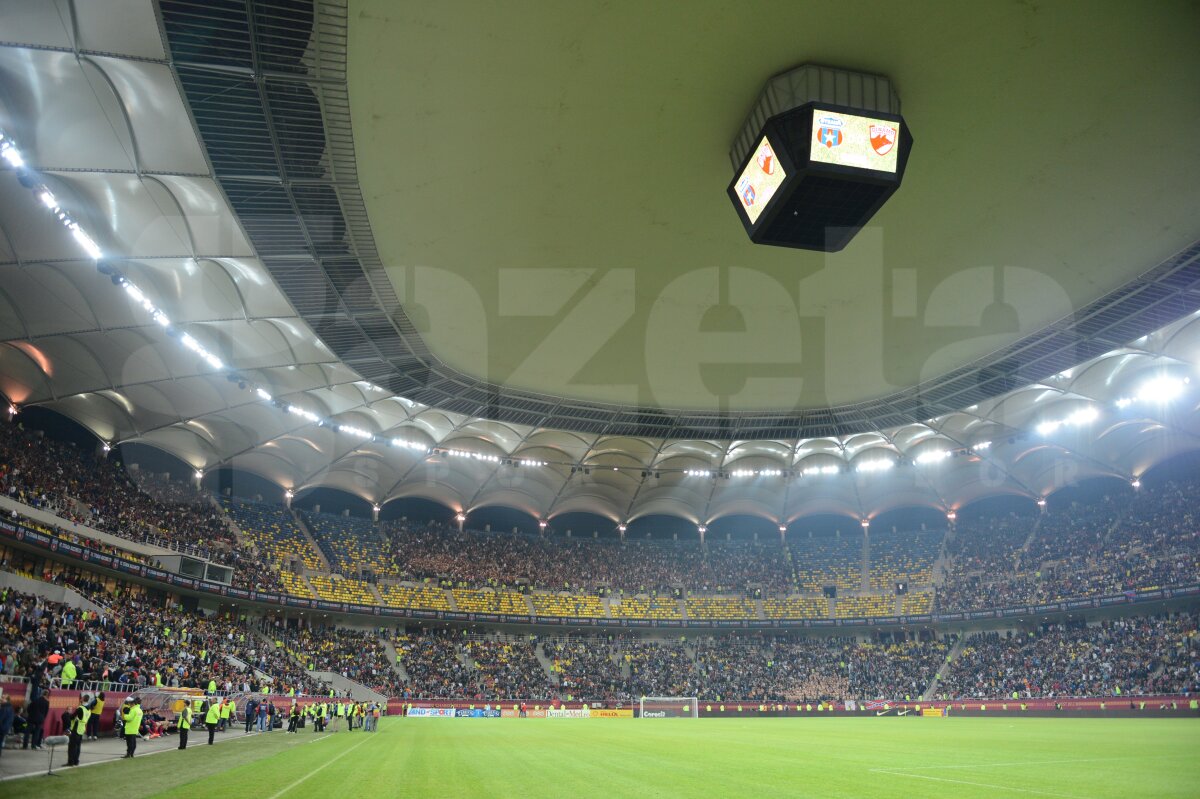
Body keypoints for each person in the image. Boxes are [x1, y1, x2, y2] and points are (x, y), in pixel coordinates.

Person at [66, 693, 91, 766]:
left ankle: (71, 761)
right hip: (82, 728)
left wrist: (68, 714)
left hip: (76, 727)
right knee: (78, 745)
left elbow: (72, 717)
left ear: (83, 699)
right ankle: (76, 761)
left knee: (72, 746)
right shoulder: (89, 709)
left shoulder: (80, 708)